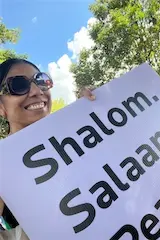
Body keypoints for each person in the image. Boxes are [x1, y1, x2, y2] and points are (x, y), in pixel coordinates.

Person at [0, 58, 96, 240]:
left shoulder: (80, 136)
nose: (37, 91)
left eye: (41, 81)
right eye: (18, 85)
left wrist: (99, 110)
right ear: (1, 107)